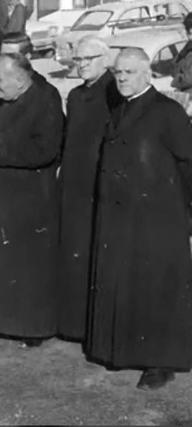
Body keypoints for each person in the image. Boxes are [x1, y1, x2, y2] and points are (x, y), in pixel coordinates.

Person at [87, 48, 192, 390]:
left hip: (158, 217)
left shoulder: (167, 112)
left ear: (148, 74)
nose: (121, 79)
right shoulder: (118, 107)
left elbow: (188, 164)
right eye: (118, 73)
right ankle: (123, 352)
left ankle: (160, 363)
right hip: (121, 216)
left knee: (157, 288)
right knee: (127, 284)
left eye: (129, 73)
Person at [0, 54, 64, 348]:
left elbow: (46, 148)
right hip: (2, 194)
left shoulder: (46, 101)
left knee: (25, 267)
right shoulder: (6, 98)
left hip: (29, 199)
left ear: (20, 80)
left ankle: (30, 329)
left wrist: (0, 151)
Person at [56, 36, 120, 343]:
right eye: (77, 60)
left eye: (87, 59)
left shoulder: (113, 92)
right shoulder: (76, 95)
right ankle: (75, 324)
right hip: (74, 183)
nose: (81, 65)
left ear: (104, 59)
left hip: (100, 183)